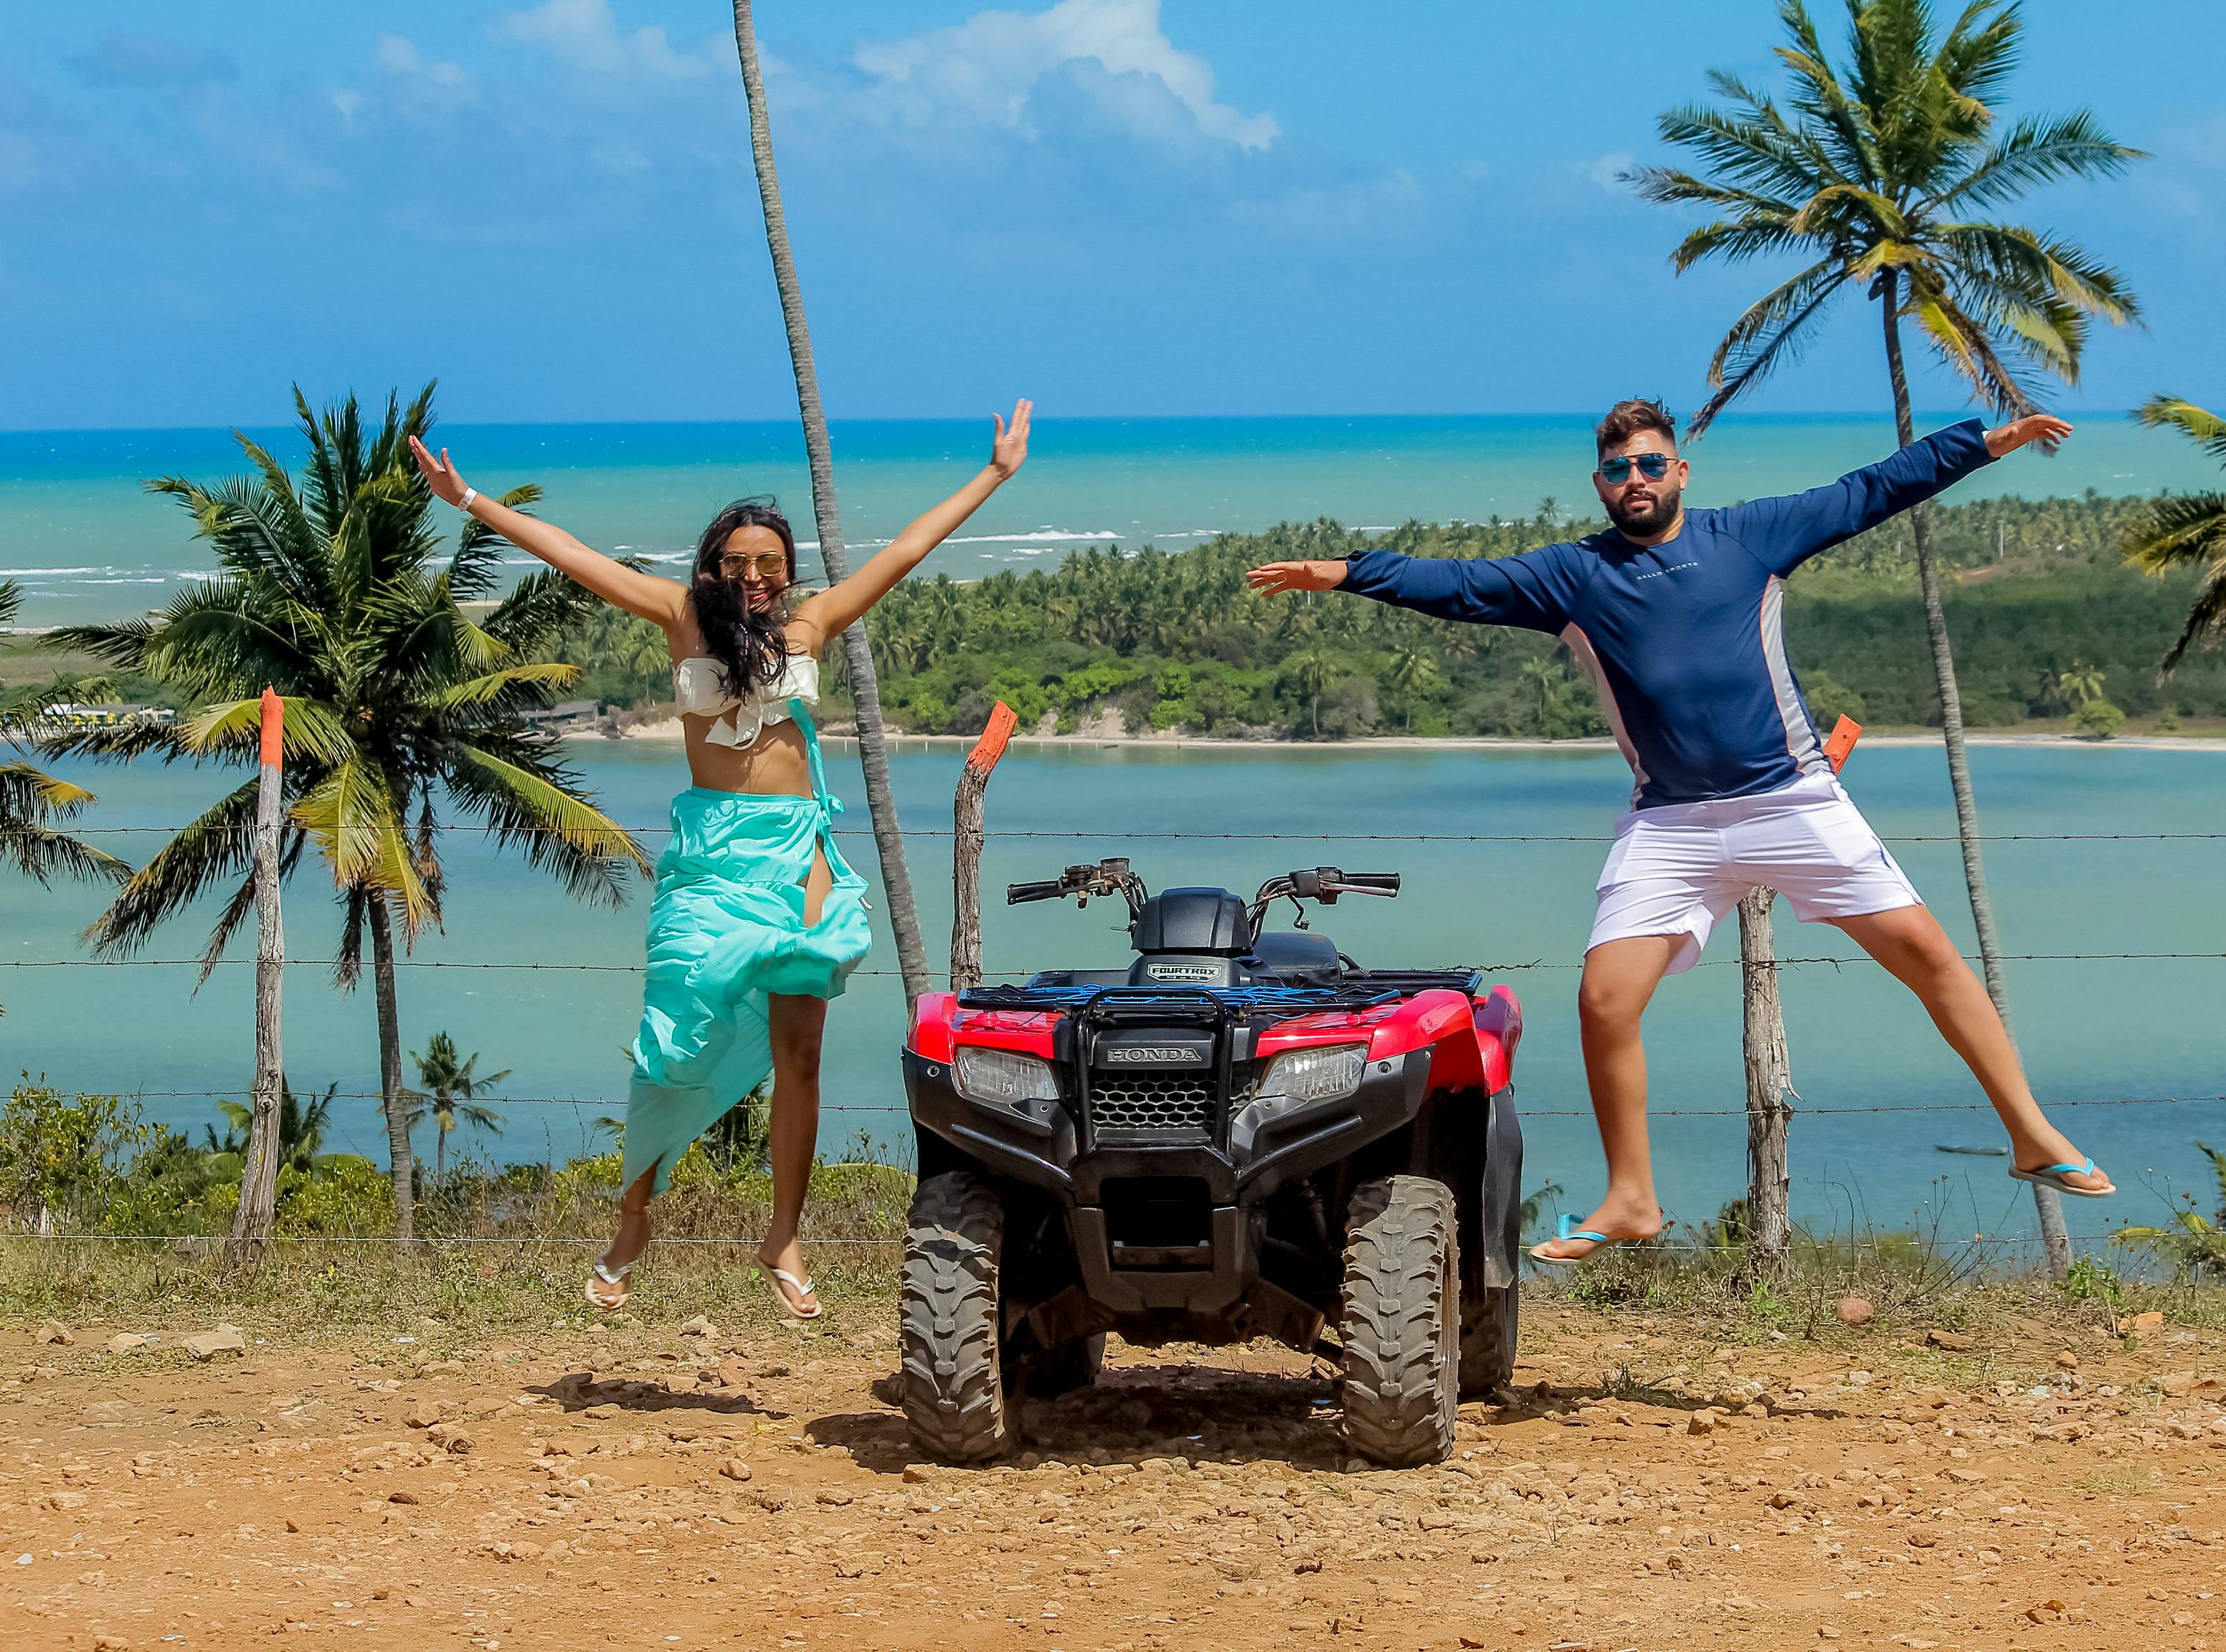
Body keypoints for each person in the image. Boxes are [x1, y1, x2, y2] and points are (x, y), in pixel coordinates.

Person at [1245, 399, 2112, 1263]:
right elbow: (1462, 586)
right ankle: (1632, 1196)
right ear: (1599, 483)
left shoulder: (1750, 537)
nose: (1636, 481)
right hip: (1670, 823)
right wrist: (1348, 571)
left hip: (1792, 802)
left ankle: (2031, 1133)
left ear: (1680, 473)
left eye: (1652, 465)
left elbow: (1872, 491)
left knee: (1930, 957)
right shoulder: (1572, 576)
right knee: (1604, 999)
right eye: (1619, 470)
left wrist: (1989, 443)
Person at [409, 402, 1033, 1312]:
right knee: (669, 1045)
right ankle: (634, 1210)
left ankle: (783, 1236)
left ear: (786, 574)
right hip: (710, 859)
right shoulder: (678, 617)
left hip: (796, 861)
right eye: (737, 561)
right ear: (714, 566)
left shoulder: (811, 626)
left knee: (802, 1055)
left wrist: (995, 474)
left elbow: (904, 551)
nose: (753, 576)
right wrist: (468, 498)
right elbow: (573, 555)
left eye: (768, 564)